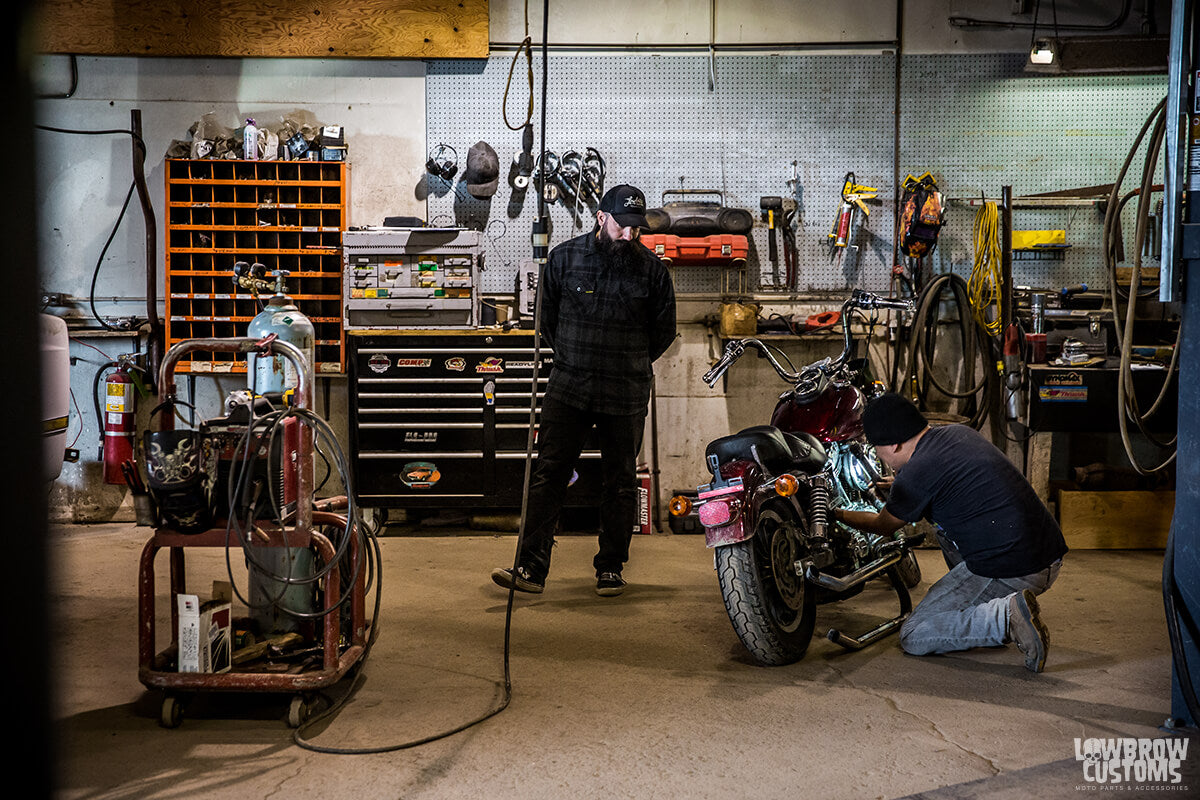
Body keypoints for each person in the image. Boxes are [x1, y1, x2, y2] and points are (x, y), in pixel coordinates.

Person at [491, 184, 676, 597]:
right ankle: (530, 568)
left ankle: (610, 567)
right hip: (570, 387)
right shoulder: (564, 259)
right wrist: (575, 358)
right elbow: (547, 320)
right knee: (550, 474)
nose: (628, 236)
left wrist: (626, 361)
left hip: (625, 392)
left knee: (621, 481)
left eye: (636, 229)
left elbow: (663, 334)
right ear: (600, 218)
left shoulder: (653, 271)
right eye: (621, 227)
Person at [835, 392, 1068, 672]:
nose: (877, 455)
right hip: (1046, 553)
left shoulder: (916, 475)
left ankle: (1006, 617)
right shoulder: (957, 434)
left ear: (893, 444)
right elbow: (936, 477)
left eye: (876, 448)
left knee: (915, 634)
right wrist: (900, 484)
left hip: (1018, 568)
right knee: (945, 528)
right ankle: (989, 613)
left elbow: (881, 526)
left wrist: (836, 514)